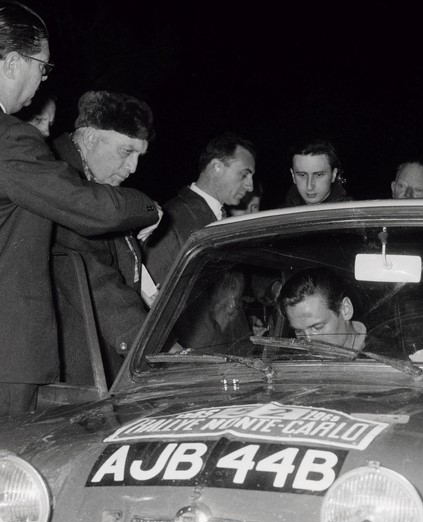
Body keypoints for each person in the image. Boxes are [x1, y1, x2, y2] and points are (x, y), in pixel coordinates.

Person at [0, 2, 160, 416]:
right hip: (12, 353)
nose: (43, 79)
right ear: (13, 63)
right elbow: (92, 212)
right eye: (42, 66)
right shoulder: (12, 139)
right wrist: (150, 208)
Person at [50, 90, 156, 385]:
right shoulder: (64, 183)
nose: (133, 167)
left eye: (139, 156)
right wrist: (153, 350)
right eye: (126, 151)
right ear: (90, 137)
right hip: (73, 368)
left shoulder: (94, 184)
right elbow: (96, 278)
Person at [144, 132, 256, 284]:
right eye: (244, 175)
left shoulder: (221, 218)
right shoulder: (171, 219)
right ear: (216, 167)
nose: (250, 186)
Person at [277, 267, 365, 349]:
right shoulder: (300, 358)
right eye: (298, 331)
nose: (308, 343)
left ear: (345, 310)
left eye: (317, 327)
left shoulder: (372, 355)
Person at [283, 140, 350, 206]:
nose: (309, 187)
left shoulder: (352, 211)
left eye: (318, 175)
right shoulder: (280, 212)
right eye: (302, 175)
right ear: (293, 176)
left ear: (333, 175)